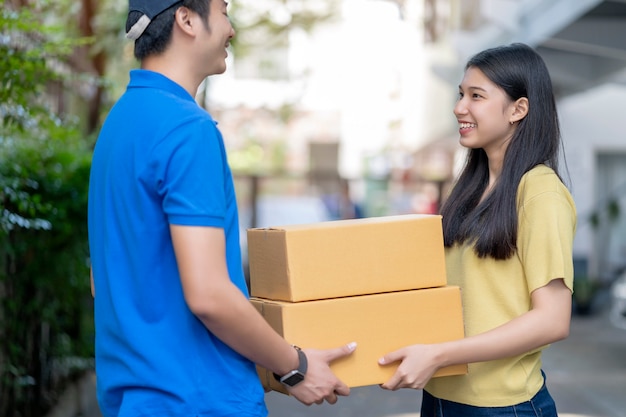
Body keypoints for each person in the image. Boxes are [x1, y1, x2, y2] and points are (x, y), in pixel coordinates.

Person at [87, 1, 356, 416]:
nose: (231, 29)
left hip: (132, 400)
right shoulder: (186, 129)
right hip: (199, 401)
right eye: (225, 11)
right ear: (187, 19)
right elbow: (210, 295)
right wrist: (296, 367)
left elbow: (101, 278)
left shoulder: (119, 123)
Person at [378, 43, 577, 416]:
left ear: (519, 109)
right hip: (441, 397)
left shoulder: (539, 192)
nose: (459, 107)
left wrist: (439, 353)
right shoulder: (471, 187)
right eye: (460, 94)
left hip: (502, 406)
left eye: (476, 96)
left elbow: (552, 319)